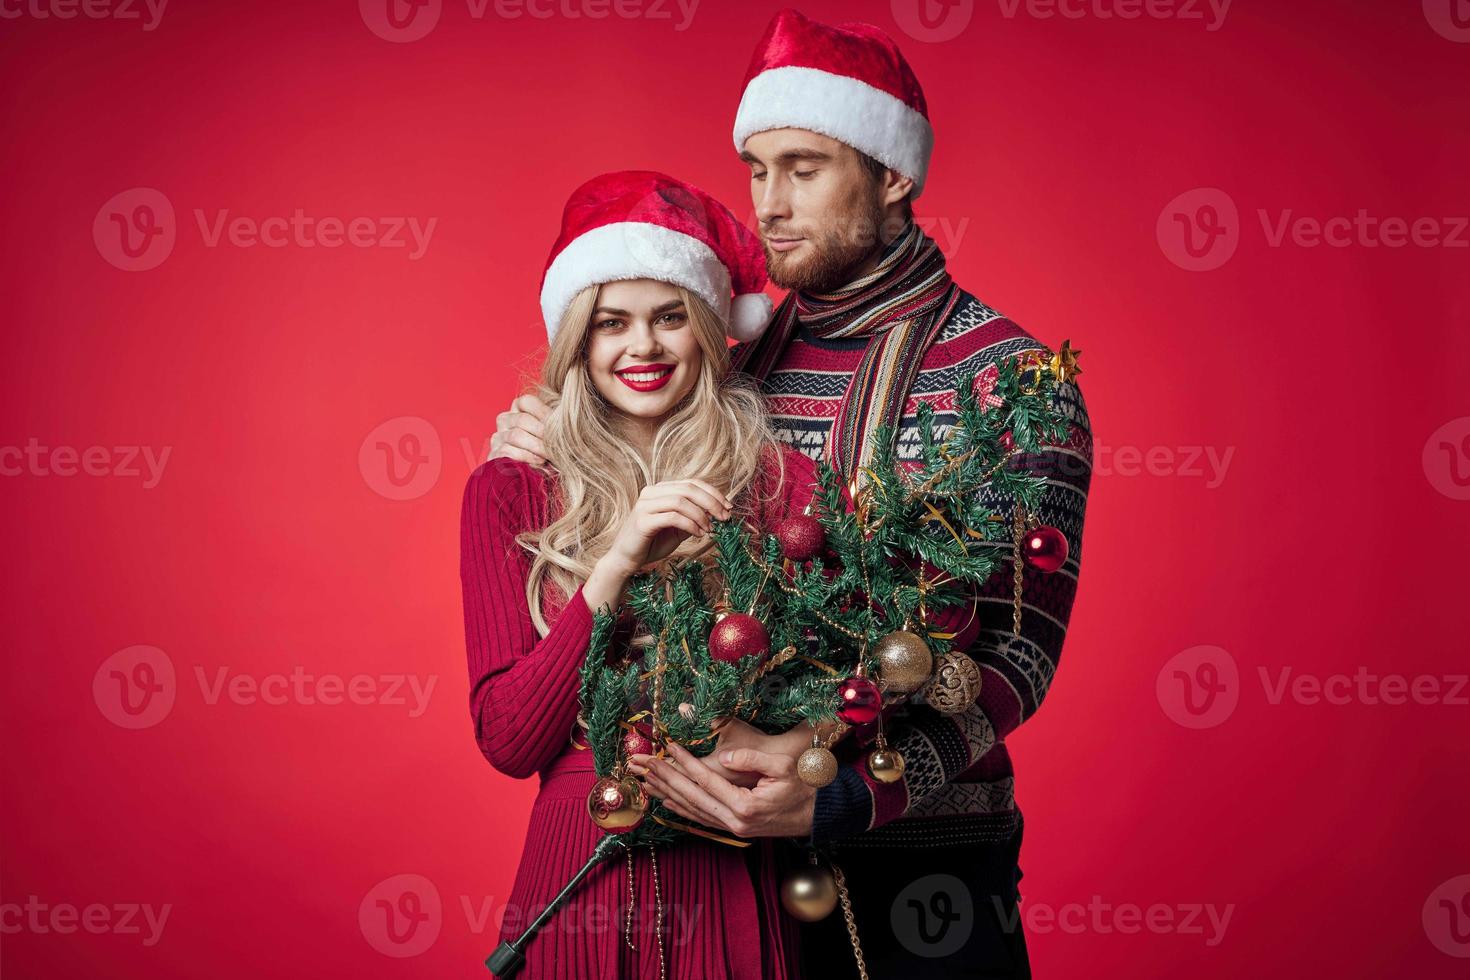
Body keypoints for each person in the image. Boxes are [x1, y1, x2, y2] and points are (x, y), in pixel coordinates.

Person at [488, 10, 1096, 978]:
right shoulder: (735, 370)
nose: (769, 202)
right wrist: (542, 437)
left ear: (893, 176)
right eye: (757, 168)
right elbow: (617, 481)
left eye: (803, 168)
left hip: (923, 878)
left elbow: (1022, 659)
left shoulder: (1009, 380)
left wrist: (843, 791)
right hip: (734, 883)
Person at [461, 170, 822, 978]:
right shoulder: (512, 489)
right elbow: (511, 739)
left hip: (734, 871)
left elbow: (831, 689)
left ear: (706, 326)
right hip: (581, 873)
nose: (643, 347)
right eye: (610, 323)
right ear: (578, 341)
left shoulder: (780, 484)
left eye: (669, 318)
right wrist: (616, 564)